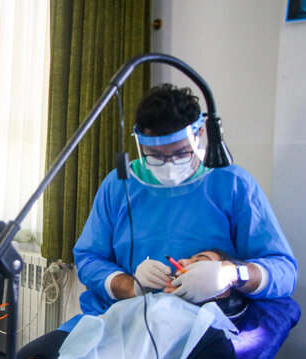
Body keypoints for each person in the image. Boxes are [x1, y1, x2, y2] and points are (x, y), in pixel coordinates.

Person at [67, 83, 297, 331]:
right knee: (39, 353)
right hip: (121, 321)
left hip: (200, 327)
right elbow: (89, 258)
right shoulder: (119, 184)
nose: (169, 165)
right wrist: (130, 285)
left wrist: (230, 274)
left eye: (181, 154)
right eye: (155, 156)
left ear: (200, 134)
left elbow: (284, 271)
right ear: (140, 144)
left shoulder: (232, 184)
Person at [14, 250, 242, 359]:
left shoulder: (213, 341)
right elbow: (86, 343)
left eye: (199, 262)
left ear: (223, 289)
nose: (182, 261)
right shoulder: (139, 306)